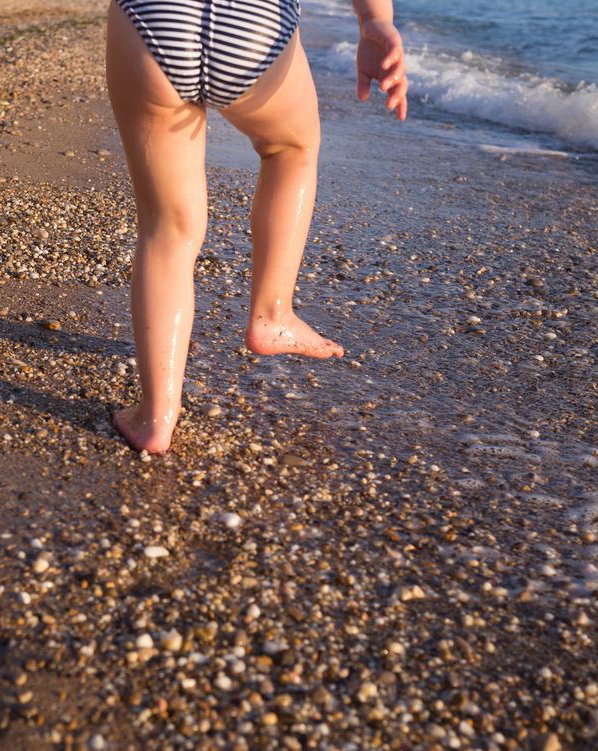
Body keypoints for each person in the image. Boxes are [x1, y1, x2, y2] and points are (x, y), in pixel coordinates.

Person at [106, 0, 408, 453]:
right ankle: (273, 314)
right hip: (253, 26)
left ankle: (156, 416)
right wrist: (374, 23)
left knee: (168, 228)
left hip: (154, 18)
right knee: (291, 148)